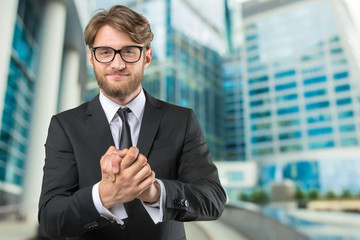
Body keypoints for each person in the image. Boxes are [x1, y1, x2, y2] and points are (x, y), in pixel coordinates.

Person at [38, 5, 226, 240]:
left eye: (129, 51)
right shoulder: (64, 125)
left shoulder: (181, 120)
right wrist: (104, 196)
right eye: (105, 52)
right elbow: (51, 217)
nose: (117, 64)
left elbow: (213, 199)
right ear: (91, 58)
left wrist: (154, 191)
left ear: (146, 56)